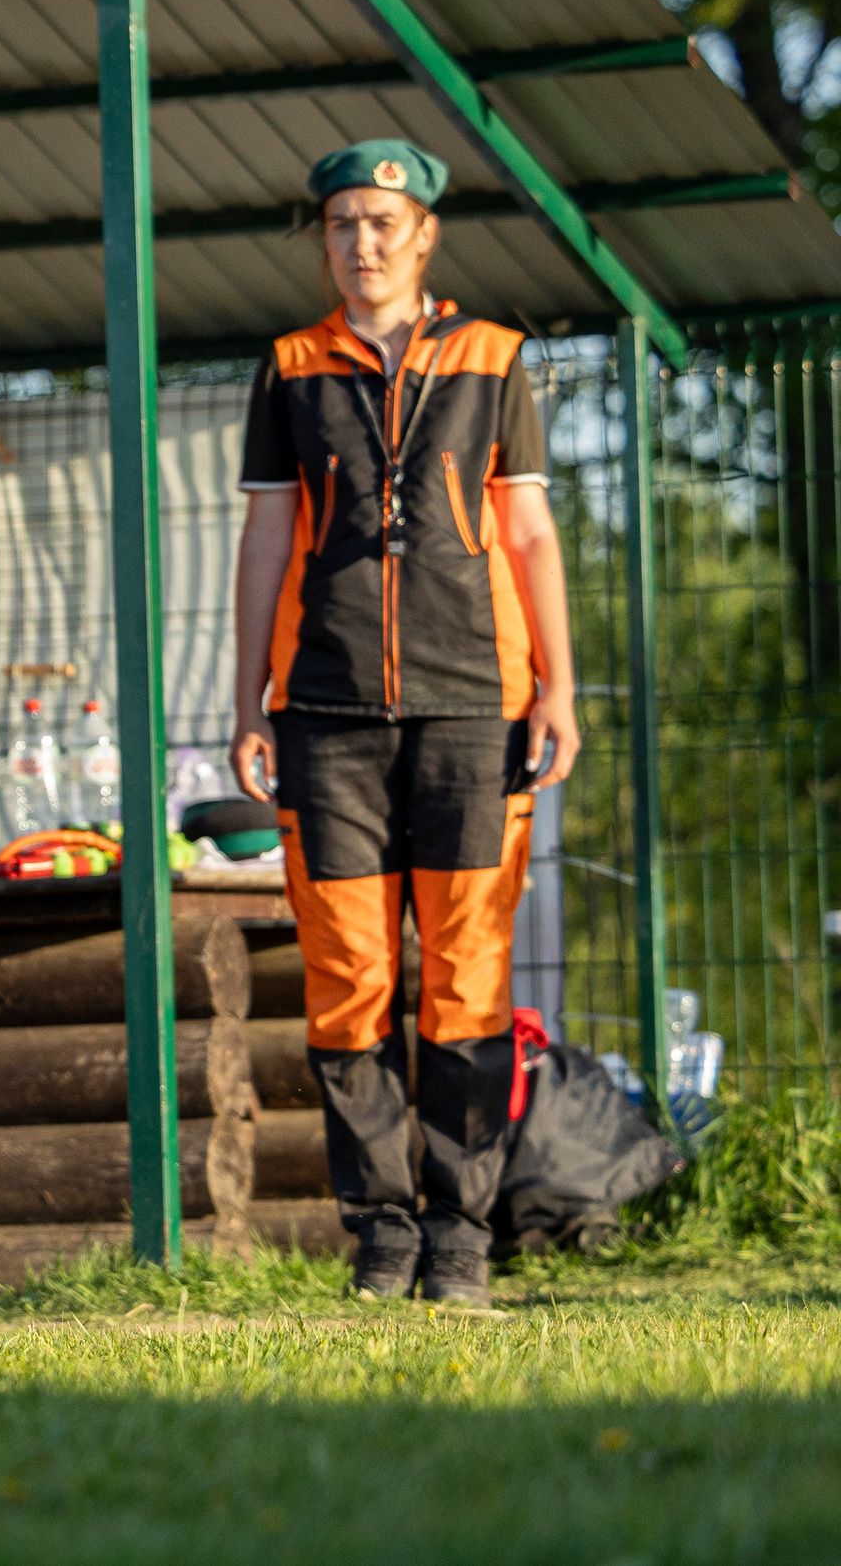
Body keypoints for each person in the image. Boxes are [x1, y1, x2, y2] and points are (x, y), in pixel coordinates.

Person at [228, 139, 580, 1306]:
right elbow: (266, 539)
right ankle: (381, 1235)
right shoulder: (287, 367)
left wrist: (560, 689)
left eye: (383, 221)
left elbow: (527, 532)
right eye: (341, 224)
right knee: (348, 981)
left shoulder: (493, 359)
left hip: (475, 708)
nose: (361, 242)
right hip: (323, 715)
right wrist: (246, 701)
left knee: (468, 978)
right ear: (325, 240)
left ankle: (461, 1240)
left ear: (423, 233)